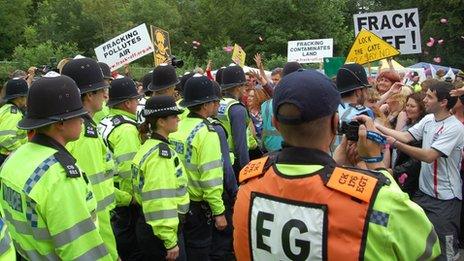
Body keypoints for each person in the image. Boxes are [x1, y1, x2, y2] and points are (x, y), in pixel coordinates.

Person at [233, 69, 440, 260]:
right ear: (335, 123)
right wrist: (375, 164)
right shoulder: (375, 200)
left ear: (277, 124)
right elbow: (426, 248)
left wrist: (335, 164)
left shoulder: (249, 181)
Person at [0, 75, 111, 260]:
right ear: (60, 123)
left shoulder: (14, 160)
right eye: (77, 115)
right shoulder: (59, 176)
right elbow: (81, 250)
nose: (82, 120)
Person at [374, 80, 463, 260]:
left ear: (443, 102)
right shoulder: (429, 119)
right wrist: (378, 127)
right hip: (423, 194)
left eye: (430, 97)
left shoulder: (455, 127)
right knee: (420, 244)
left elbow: (429, 155)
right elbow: (407, 136)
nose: (425, 100)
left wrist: (395, 144)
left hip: (445, 200)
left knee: (446, 252)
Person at [61, 57, 119, 260]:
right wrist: (110, 253)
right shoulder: (85, 135)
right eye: (101, 89)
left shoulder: (75, 129)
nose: (106, 94)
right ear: (87, 95)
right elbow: (95, 203)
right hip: (97, 238)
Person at [169, 75, 227, 260]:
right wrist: (219, 212)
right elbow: (210, 179)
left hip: (178, 202)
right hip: (198, 207)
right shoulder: (207, 133)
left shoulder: (178, 127)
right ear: (205, 105)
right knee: (200, 252)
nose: (215, 104)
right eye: (213, 101)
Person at [132, 95, 189, 260]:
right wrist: (170, 241)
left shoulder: (149, 146)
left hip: (152, 226)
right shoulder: (160, 155)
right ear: (161, 122)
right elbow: (160, 199)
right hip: (161, 232)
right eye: (173, 116)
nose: (178, 119)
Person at [98, 77, 143, 260]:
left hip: (111, 192)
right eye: (135, 99)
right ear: (127, 103)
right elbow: (128, 170)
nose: (138, 102)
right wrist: (133, 198)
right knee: (130, 246)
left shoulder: (106, 121)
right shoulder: (126, 129)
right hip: (125, 200)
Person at [260, 62, 302, 152]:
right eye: (273, 80)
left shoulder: (273, 101)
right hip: (286, 148)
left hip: (276, 149)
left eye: (276, 79)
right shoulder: (304, 99)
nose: (274, 82)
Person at [391, 93, 426, 197]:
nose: (408, 109)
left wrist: (395, 171)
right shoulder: (409, 123)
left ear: (421, 109)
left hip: (411, 177)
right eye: (407, 105)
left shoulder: (421, 130)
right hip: (401, 170)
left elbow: (416, 160)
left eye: (412, 106)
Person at [217, 65, 250, 174]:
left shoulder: (216, 104)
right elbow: (241, 145)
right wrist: (246, 171)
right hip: (234, 163)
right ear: (238, 87)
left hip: (218, 157)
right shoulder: (237, 109)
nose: (245, 89)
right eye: (244, 86)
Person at [0, 78, 28, 165]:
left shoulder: (5, 108)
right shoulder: (13, 114)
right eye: (26, 96)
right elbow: (6, 137)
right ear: (20, 98)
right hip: (6, 156)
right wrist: (20, 151)